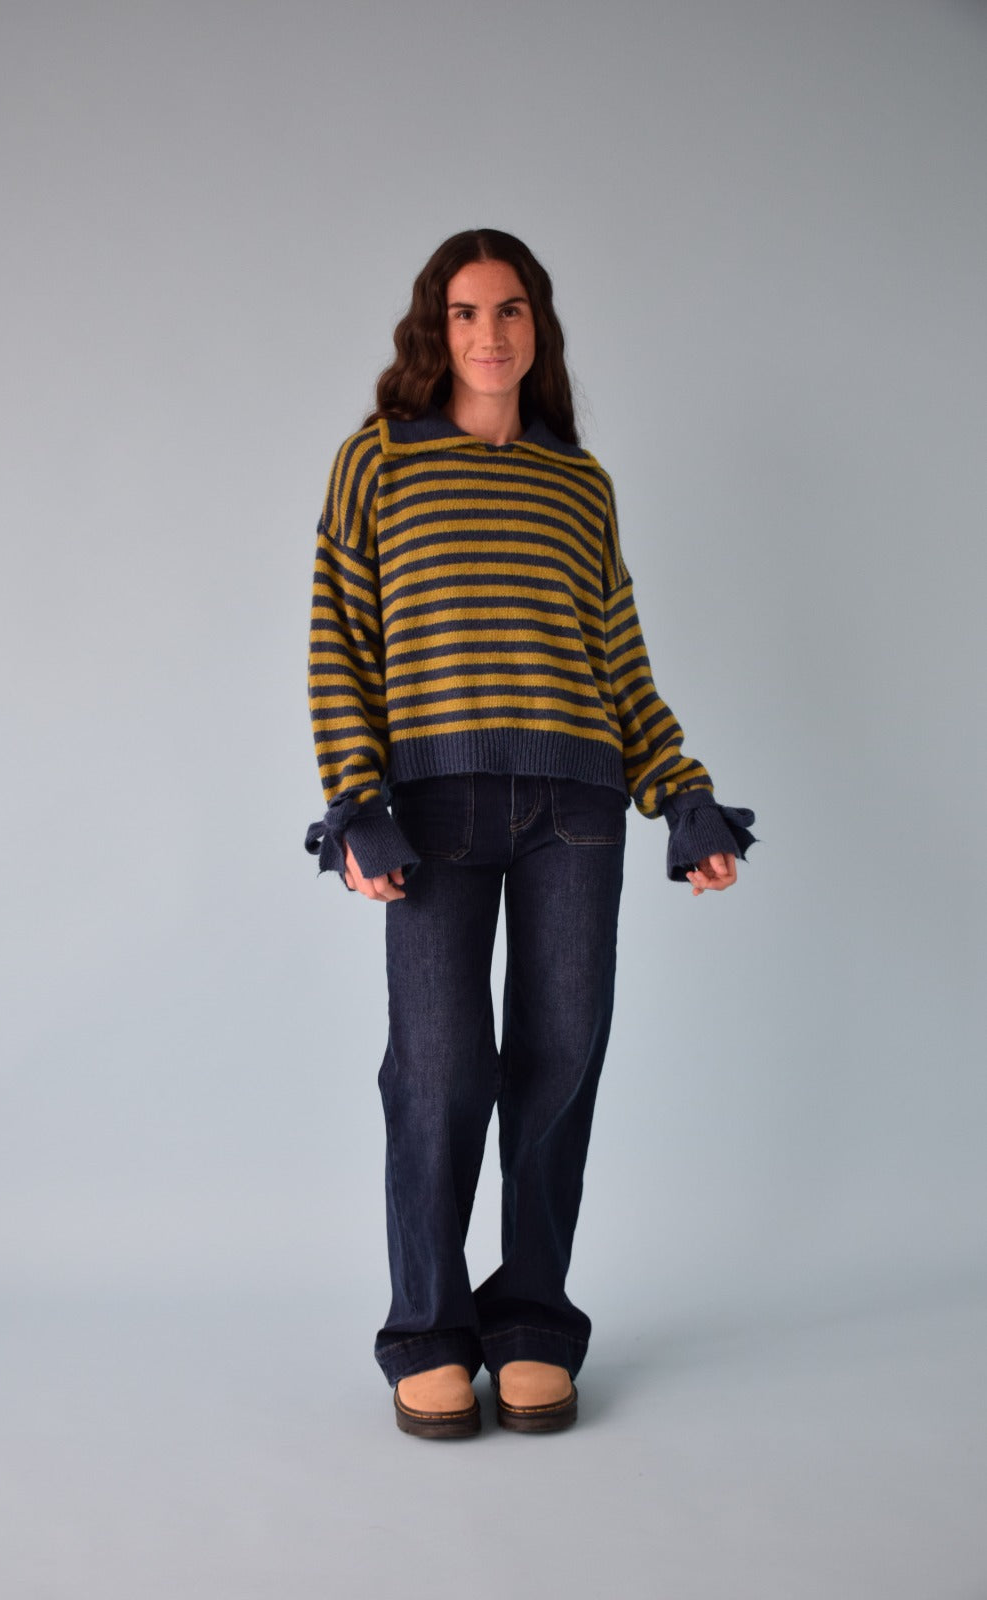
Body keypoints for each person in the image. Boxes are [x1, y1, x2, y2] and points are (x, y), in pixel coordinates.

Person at [305, 228, 758, 1439]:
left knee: (558, 1063)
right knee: (440, 1067)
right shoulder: (378, 461)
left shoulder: (578, 483)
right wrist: (356, 802)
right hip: (433, 809)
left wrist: (683, 794)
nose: (489, 333)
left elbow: (618, 662)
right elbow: (339, 640)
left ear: (537, 326)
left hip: (577, 807)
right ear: (434, 329)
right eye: (464, 312)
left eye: (509, 309)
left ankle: (532, 1322)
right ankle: (427, 1327)